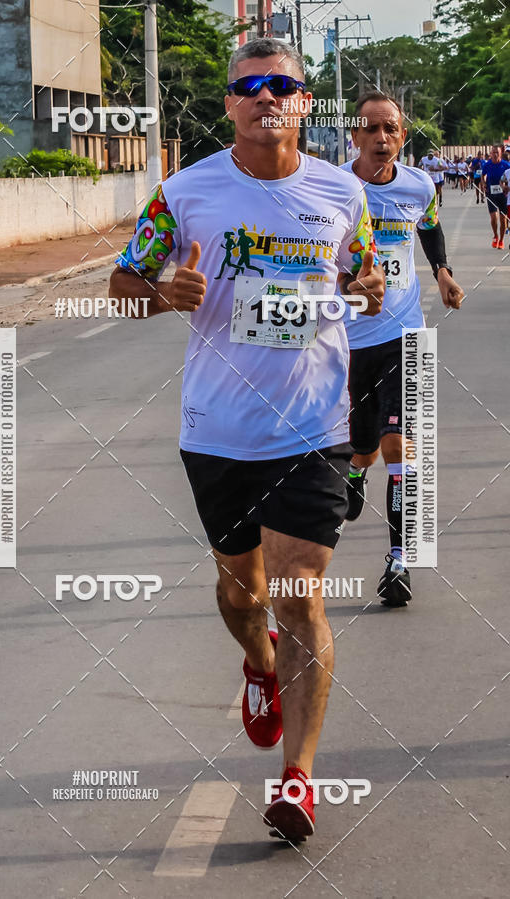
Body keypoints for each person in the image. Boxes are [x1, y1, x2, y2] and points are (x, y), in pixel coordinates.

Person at [110, 38, 385, 842]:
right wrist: (162, 294)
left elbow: (362, 283)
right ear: (229, 103)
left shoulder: (342, 193)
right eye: (250, 86)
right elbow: (121, 290)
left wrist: (365, 290)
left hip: (314, 428)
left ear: (304, 102)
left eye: (283, 86)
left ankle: (297, 780)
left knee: (302, 590)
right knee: (244, 592)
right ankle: (259, 663)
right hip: (219, 431)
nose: (267, 96)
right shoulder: (183, 191)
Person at [341, 92, 464, 606]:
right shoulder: (335, 188)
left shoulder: (419, 184)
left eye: (390, 129)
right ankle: (352, 471)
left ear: (402, 136)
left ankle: (400, 560)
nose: (381, 138)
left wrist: (442, 272)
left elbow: (430, 225)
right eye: (370, 129)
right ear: (355, 137)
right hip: (347, 341)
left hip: (405, 335)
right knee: (364, 449)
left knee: (401, 451)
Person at [482, 144, 510, 249]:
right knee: (494, 218)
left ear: (500, 153)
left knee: (503, 219)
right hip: (491, 194)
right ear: (490, 153)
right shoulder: (487, 165)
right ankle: (496, 236)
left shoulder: (506, 165)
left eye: (497, 152)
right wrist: (484, 184)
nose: (495, 154)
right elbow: (483, 175)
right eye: (493, 152)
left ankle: (502, 240)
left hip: (503, 195)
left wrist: (506, 187)